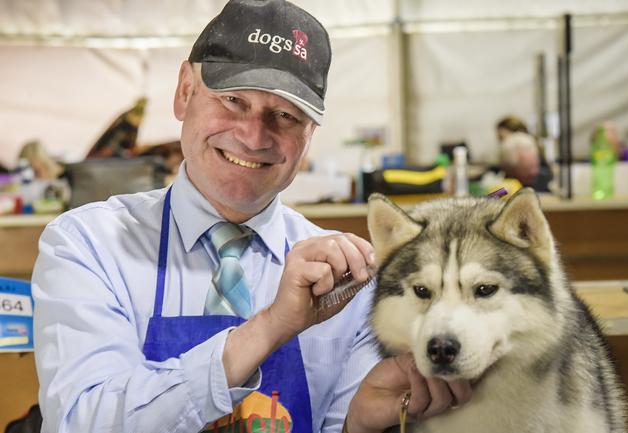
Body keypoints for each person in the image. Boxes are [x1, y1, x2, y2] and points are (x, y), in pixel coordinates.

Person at [32, 1, 471, 433]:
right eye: (233, 99)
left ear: (310, 133)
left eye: (284, 115)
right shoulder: (88, 245)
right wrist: (270, 327)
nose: (253, 135)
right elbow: (81, 422)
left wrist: (359, 423)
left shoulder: (349, 284)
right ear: (185, 91)